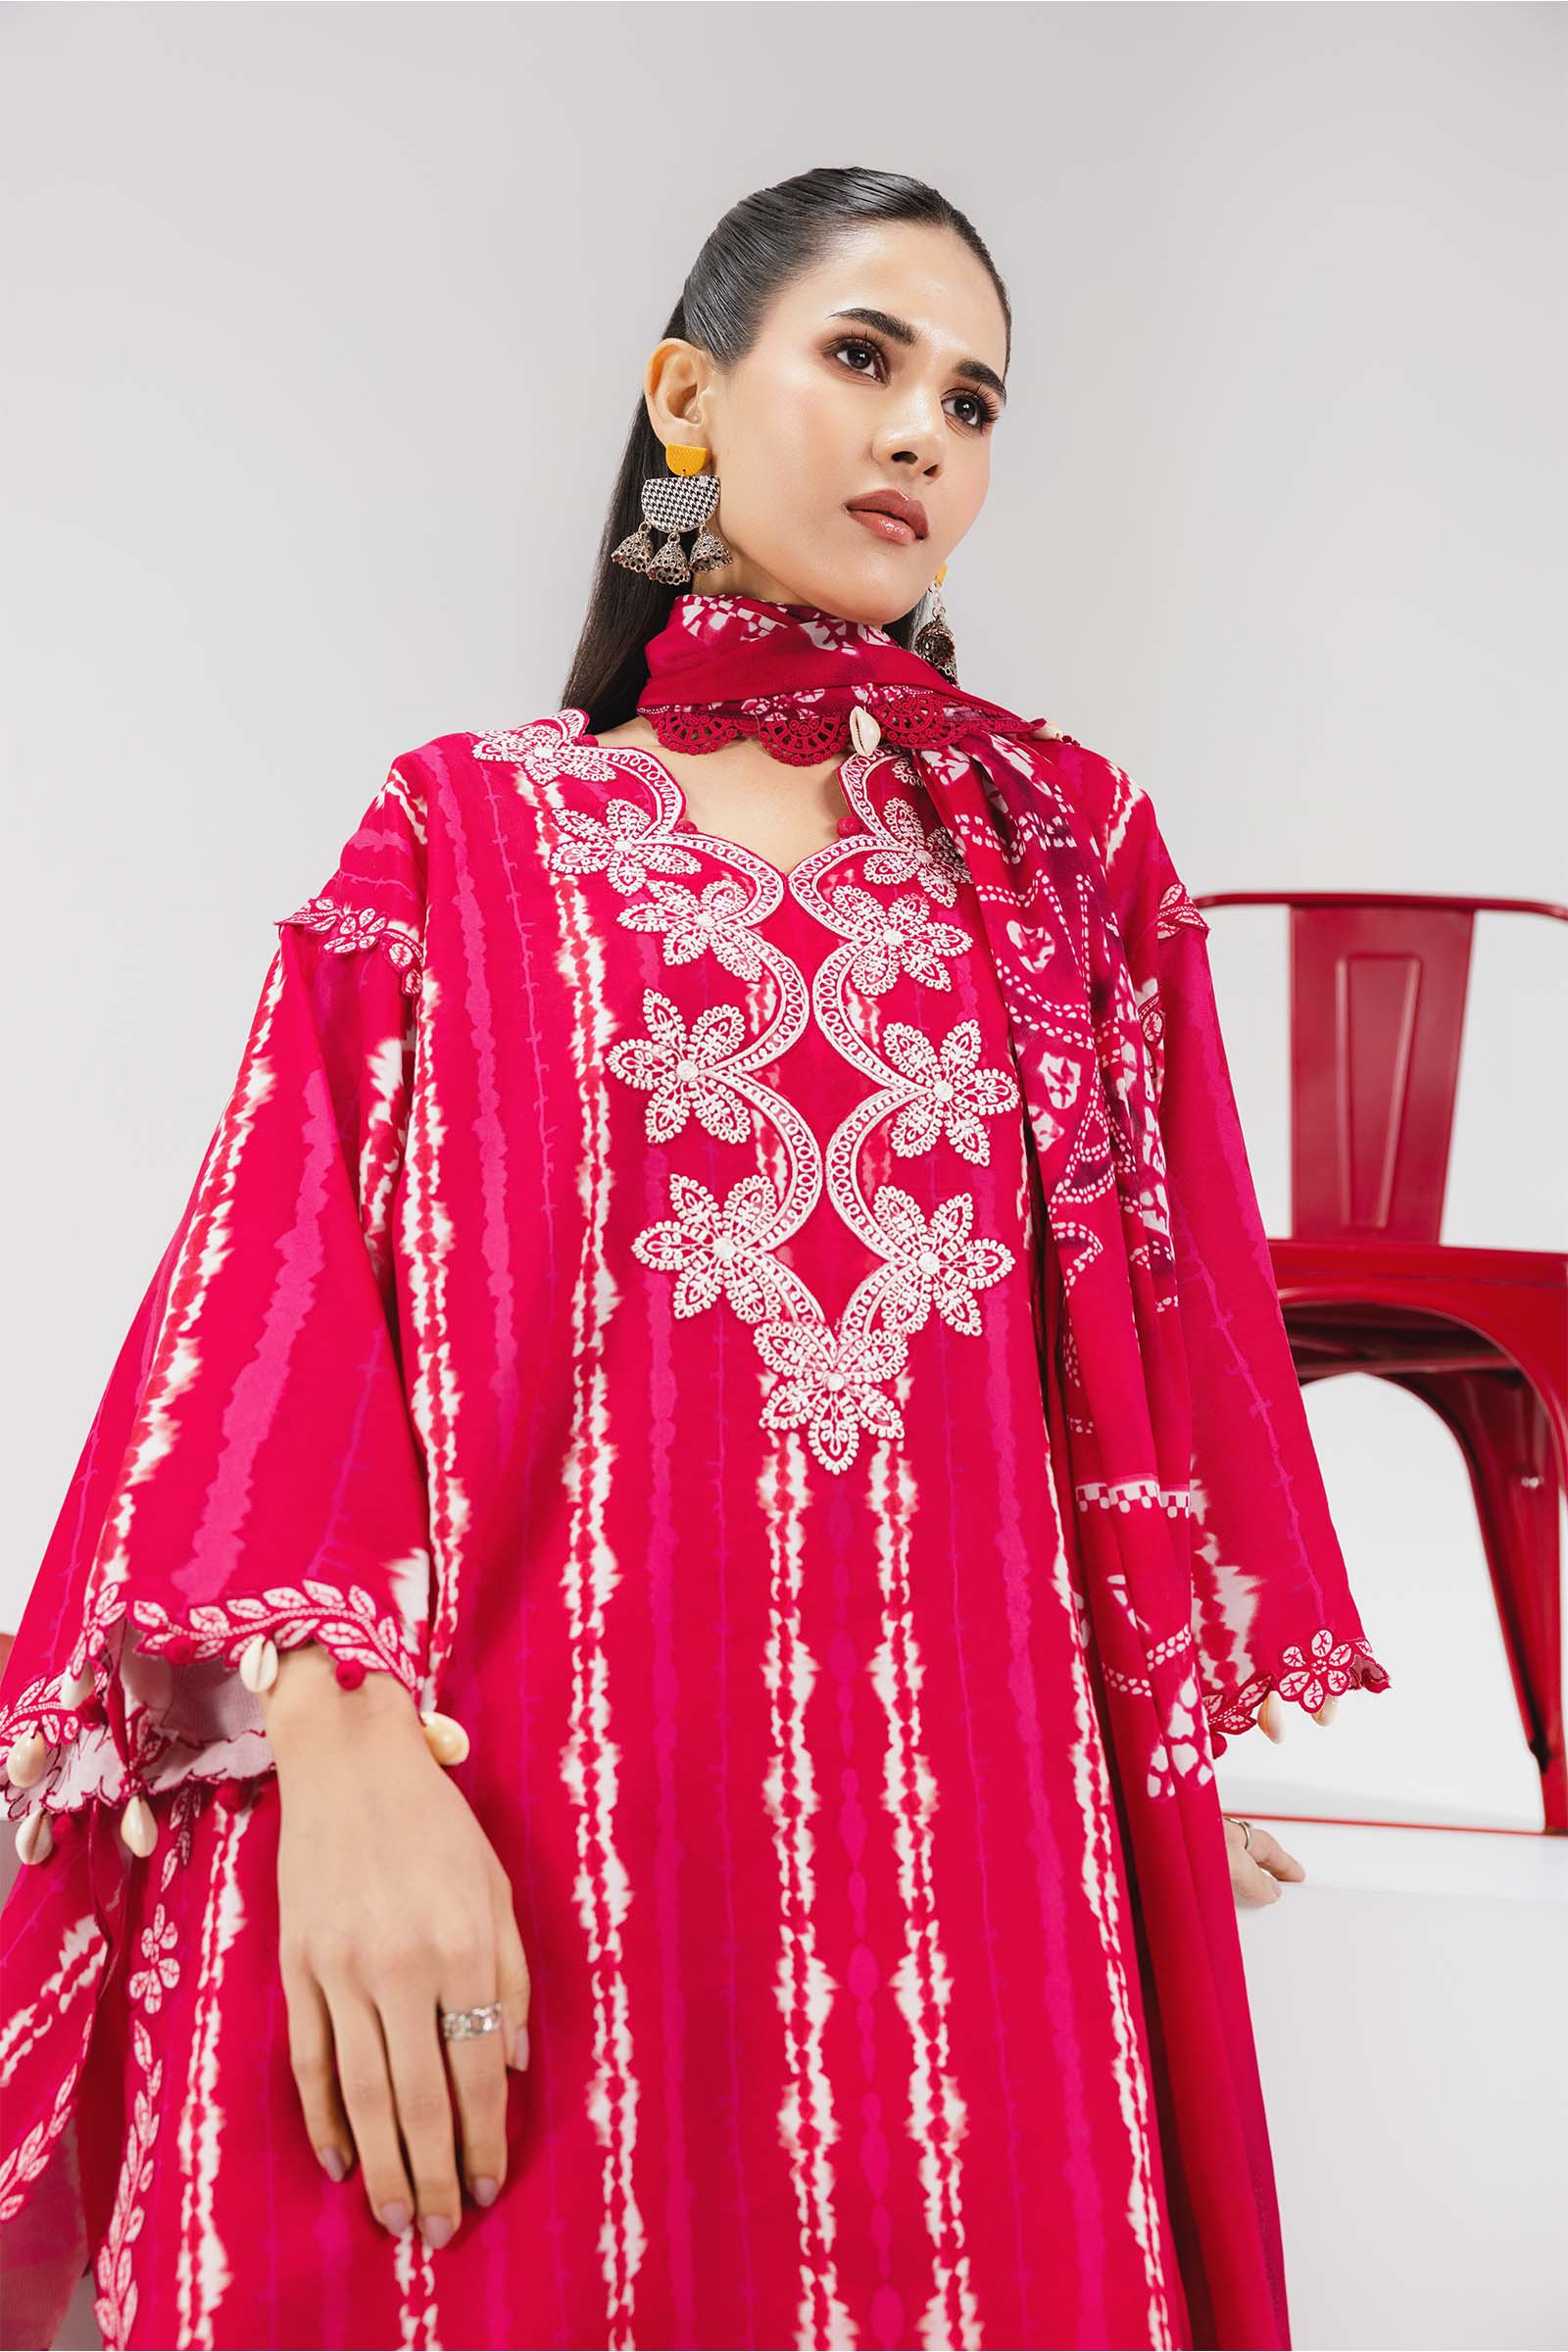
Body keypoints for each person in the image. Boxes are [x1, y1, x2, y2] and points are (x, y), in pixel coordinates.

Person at [0, 167, 1390, 2352]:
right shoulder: (464, 834)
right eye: (863, 357)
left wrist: (1146, 1754)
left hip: (970, 1880)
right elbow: (268, 1336)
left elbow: (1143, 1350)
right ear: (685, 397)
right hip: (526, 1849)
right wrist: (349, 1778)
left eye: (972, 401)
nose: (923, 430)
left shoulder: (1065, 858)